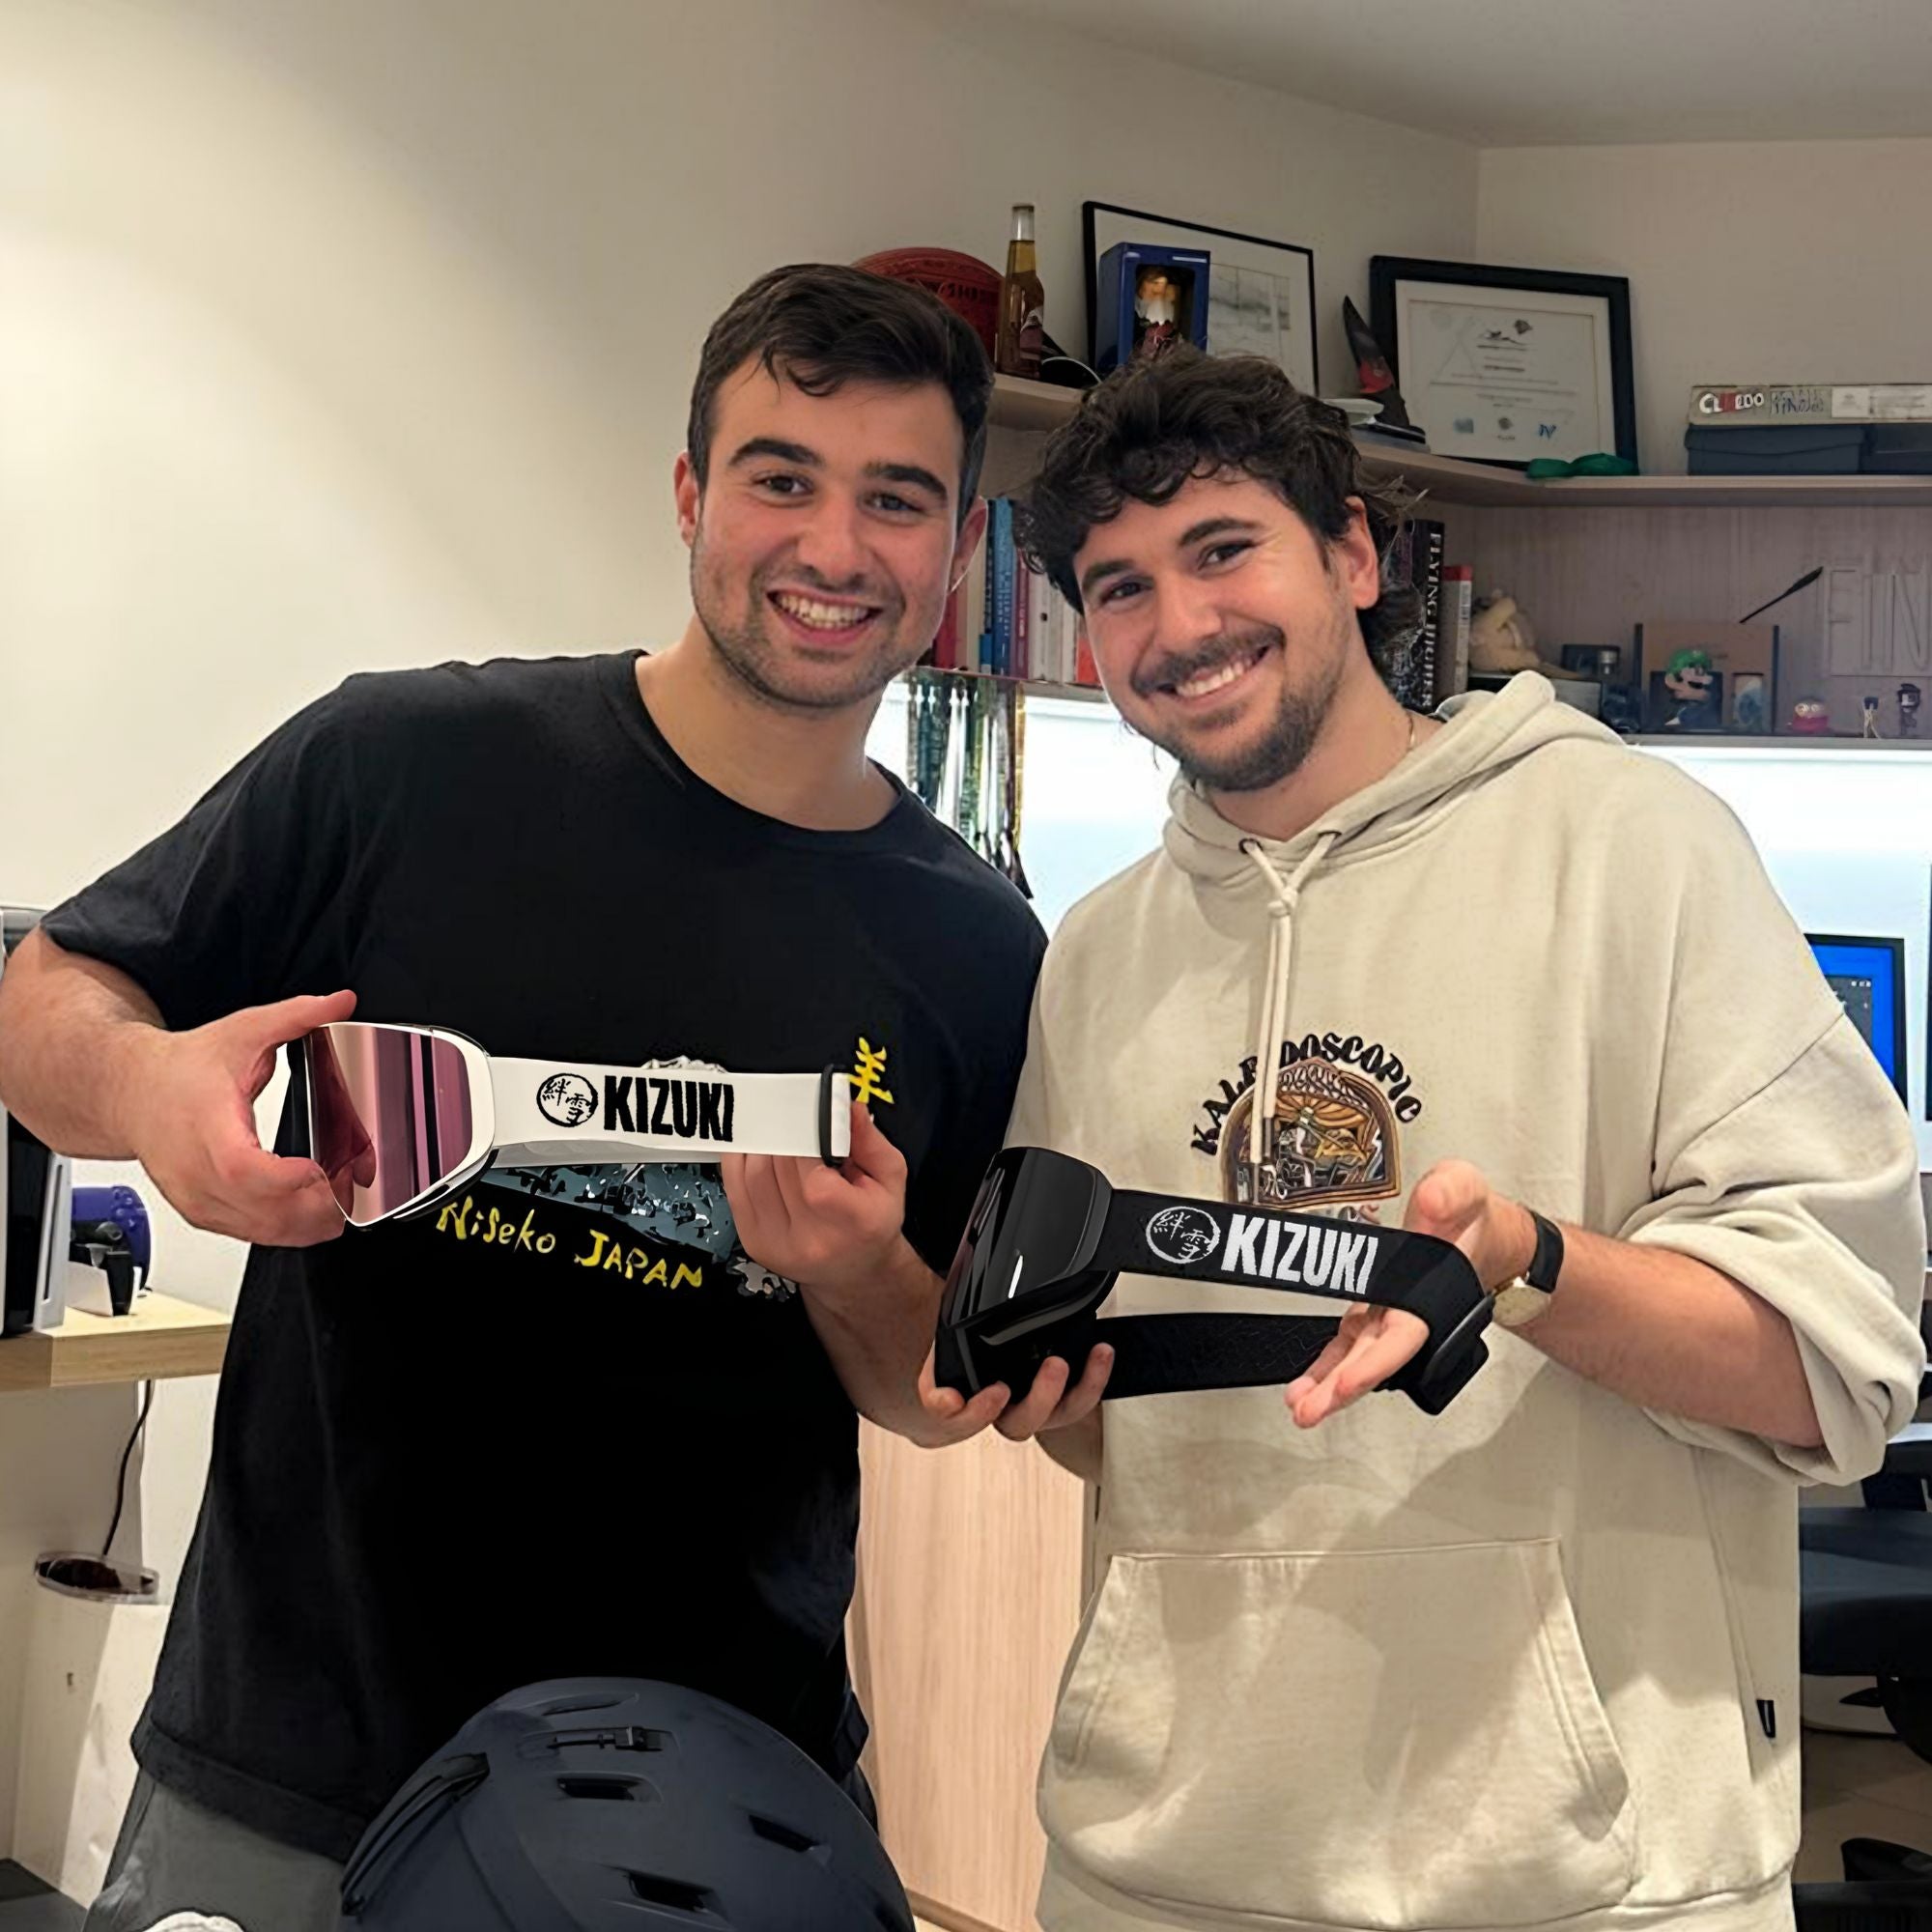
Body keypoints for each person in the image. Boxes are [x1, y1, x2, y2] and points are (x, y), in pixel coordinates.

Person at [0, 263, 1044, 1932]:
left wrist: (853, 1266)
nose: (835, 548)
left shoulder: (980, 944)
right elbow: (43, 998)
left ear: (958, 545)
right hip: (300, 1766)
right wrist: (144, 1085)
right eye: (781, 477)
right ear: (693, 492)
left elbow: (933, 1388)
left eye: (896, 500)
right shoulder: (401, 765)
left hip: (721, 1804)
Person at [991, 345, 1927, 1932]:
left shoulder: (1635, 851)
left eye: (1225, 549)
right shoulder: (1095, 951)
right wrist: (1020, 1372)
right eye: (1121, 586)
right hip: (1162, 1864)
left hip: (1587, 1878)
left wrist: (1528, 1265)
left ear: (1353, 556)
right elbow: (1128, 1436)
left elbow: (1835, 1375)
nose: (1181, 625)